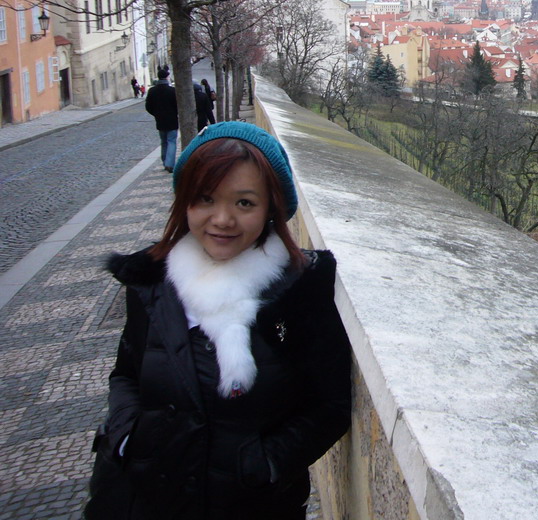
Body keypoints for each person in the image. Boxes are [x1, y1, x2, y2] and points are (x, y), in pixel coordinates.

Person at [84, 122, 351, 520]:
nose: (222, 219)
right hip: (140, 497)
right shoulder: (152, 280)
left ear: (271, 209)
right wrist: (125, 437)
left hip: (249, 505)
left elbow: (329, 406)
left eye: (244, 203)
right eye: (205, 198)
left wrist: (264, 464)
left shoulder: (298, 291)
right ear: (185, 203)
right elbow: (126, 374)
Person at [145, 68, 178, 173]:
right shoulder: (172, 91)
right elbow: (178, 105)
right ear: (167, 77)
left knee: (163, 142)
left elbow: (148, 106)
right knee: (171, 141)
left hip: (160, 120)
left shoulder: (152, 91)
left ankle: (165, 162)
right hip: (172, 120)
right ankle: (170, 163)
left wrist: (156, 114)